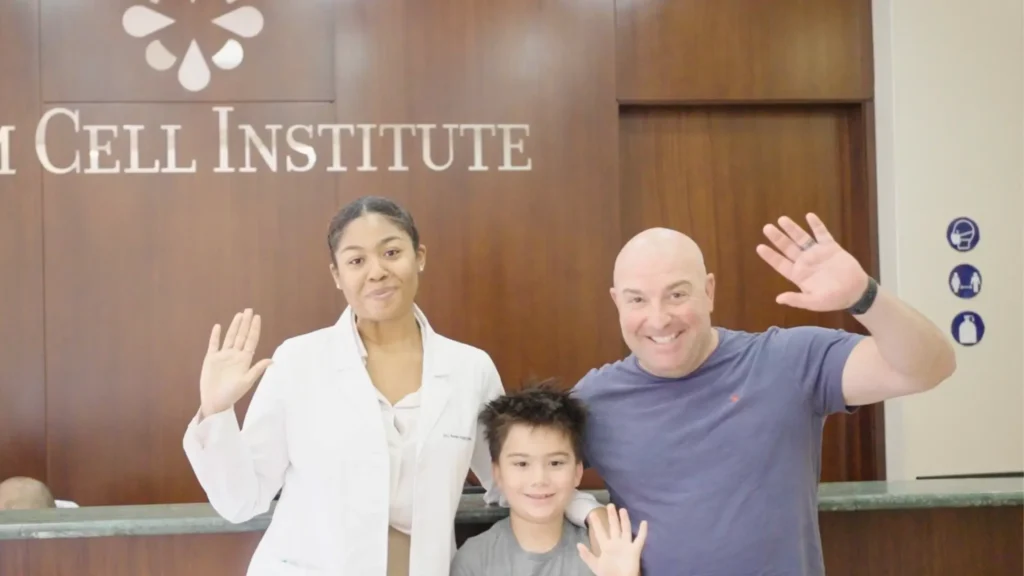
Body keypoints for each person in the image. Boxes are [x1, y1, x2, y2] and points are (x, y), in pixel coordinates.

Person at [182, 196, 603, 576]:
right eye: (356, 261)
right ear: (336, 275)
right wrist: (216, 412)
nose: (377, 272)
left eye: (391, 252)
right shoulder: (298, 362)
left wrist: (587, 512)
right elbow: (241, 501)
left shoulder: (469, 369)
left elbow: (512, 477)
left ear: (419, 257)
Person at [573, 214, 957, 575]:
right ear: (616, 302)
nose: (658, 319)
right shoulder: (594, 400)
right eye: (637, 299)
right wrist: (589, 512)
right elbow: (517, 478)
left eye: (676, 295)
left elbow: (929, 368)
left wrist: (864, 295)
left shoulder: (788, 361)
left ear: (708, 291)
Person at [451, 384, 647, 576]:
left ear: (578, 471)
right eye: (521, 464)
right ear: (498, 473)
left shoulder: (605, 552)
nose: (539, 479)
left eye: (555, 463)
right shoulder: (475, 560)